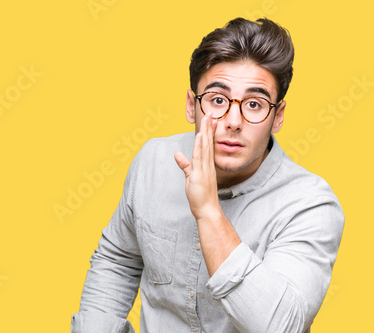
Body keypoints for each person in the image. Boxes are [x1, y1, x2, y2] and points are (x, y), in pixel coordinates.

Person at [71, 17, 344, 333]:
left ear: (277, 116)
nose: (232, 121)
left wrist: (209, 212)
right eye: (218, 100)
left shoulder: (310, 204)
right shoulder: (154, 161)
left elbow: (281, 326)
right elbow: (117, 261)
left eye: (254, 104)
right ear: (192, 106)